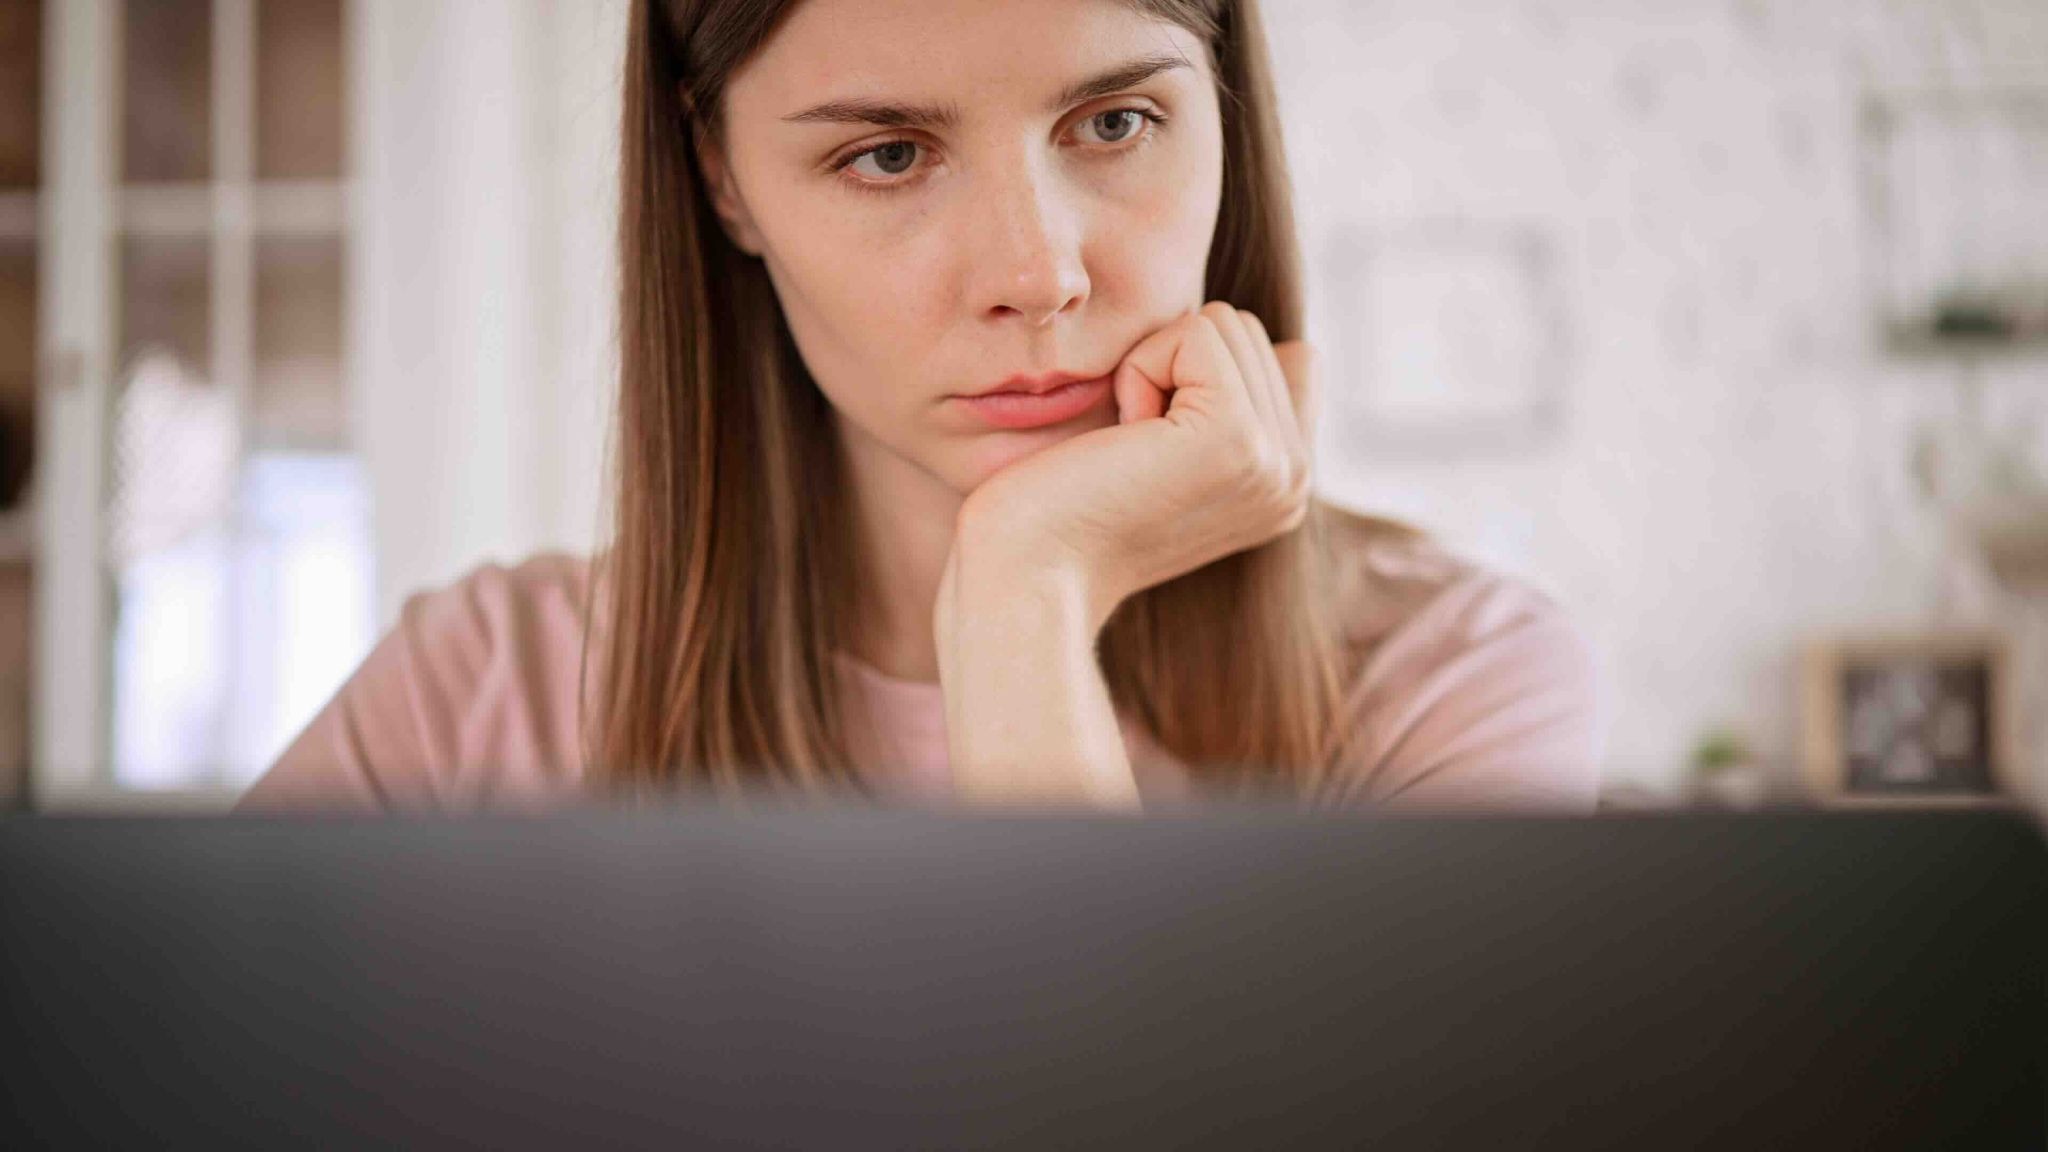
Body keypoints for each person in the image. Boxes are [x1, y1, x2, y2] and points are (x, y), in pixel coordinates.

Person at [238, 0, 1603, 815]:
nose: (1038, 273)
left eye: (1115, 124)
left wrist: (1028, 600)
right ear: (720, 178)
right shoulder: (483, 702)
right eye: (888, 154)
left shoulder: (1445, 686)